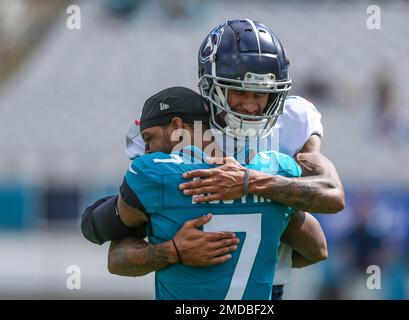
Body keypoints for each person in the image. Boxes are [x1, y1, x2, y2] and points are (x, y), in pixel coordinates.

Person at [82, 19, 344, 299]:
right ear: (213, 86)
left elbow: (331, 196)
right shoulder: (186, 129)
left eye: (262, 94)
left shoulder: (292, 120)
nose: (252, 105)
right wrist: (172, 251)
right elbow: (116, 242)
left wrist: (250, 183)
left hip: (267, 284)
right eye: (239, 91)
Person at [108, 86, 327, 299]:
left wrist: (171, 252)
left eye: (148, 139)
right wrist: (264, 253)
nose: (146, 151)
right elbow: (318, 250)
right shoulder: (278, 169)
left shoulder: (155, 175)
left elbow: (111, 254)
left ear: (176, 126)